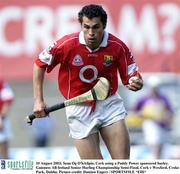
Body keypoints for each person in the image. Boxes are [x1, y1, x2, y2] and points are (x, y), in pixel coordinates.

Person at [32, 4, 143, 159]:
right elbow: (39, 64)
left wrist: (135, 81)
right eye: (86, 27)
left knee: (122, 165)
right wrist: (38, 100)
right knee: (94, 168)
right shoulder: (66, 44)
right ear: (81, 25)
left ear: (104, 26)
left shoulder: (117, 46)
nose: (91, 33)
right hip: (78, 107)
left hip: (109, 104)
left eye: (96, 27)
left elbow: (132, 75)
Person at [134, 85, 173, 159]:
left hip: (162, 125)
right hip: (150, 124)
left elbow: (170, 111)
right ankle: (156, 160)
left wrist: (167, 118)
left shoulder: (163, 98)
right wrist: (143, 116)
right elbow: (135, 110)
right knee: (154, 143)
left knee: (160, 144)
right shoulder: (144, 99)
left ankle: (157, 159)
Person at [0, 80, 14, 159]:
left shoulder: (2, 84)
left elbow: (7, 101)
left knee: (3, 144)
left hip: (2, 119)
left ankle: (4, 168)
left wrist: (1, 117)